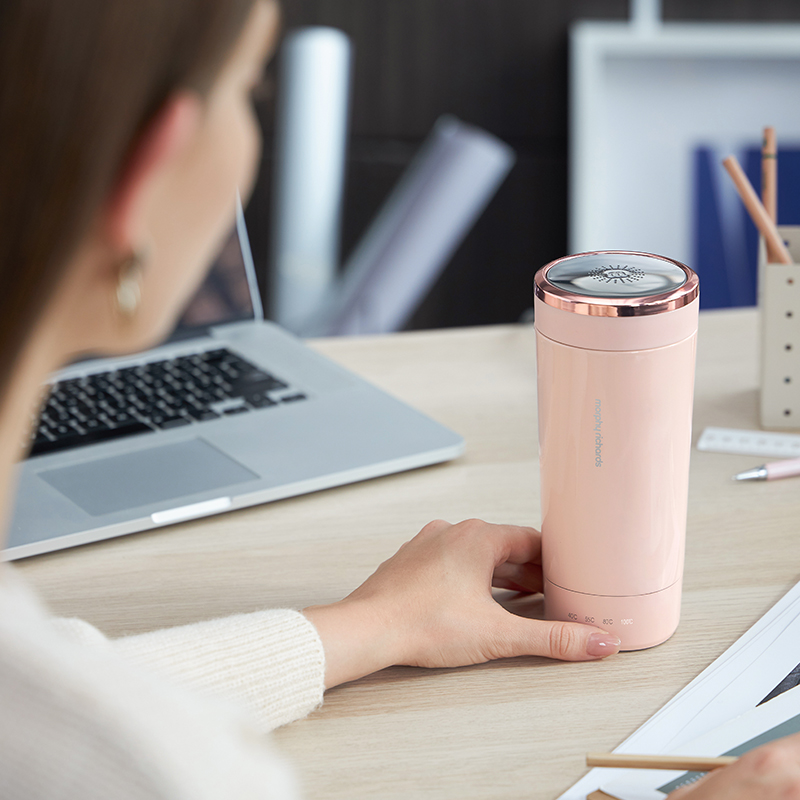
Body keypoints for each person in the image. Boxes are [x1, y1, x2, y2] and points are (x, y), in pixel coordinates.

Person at [0, 0, 797, 797]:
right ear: (151, 168)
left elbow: (65, 682)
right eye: (249, 91)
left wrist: (372, 625)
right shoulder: (168, 776)